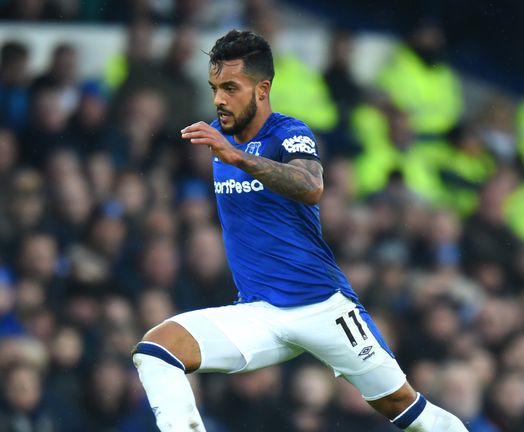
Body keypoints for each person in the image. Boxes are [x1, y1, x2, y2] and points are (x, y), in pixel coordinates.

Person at [132, 30, 467, 431]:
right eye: (214, 87)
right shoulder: (215, 135)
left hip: (322, 307)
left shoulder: (288, 132)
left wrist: (238, 158)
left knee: (403, 408)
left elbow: (311, 187)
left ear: (262, 89)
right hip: (260, 313)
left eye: (231, 88)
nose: (219, 98)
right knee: (156, 350)